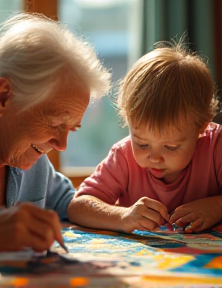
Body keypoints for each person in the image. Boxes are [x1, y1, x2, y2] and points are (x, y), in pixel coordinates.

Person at [0, 13, 111, 261]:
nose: (61, 145)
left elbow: (71, 204)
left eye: (71, 129)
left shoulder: (33, 161)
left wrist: (124, 216)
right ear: (3, 97)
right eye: (54, 123)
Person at [68, 39, 222, 234]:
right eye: (141, 143)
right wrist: (123, 216)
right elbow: (78, 207)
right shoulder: (123, 156)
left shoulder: (216, 146)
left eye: (171, 147)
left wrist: (217, 207)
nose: (154, 158)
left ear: (202, 126)